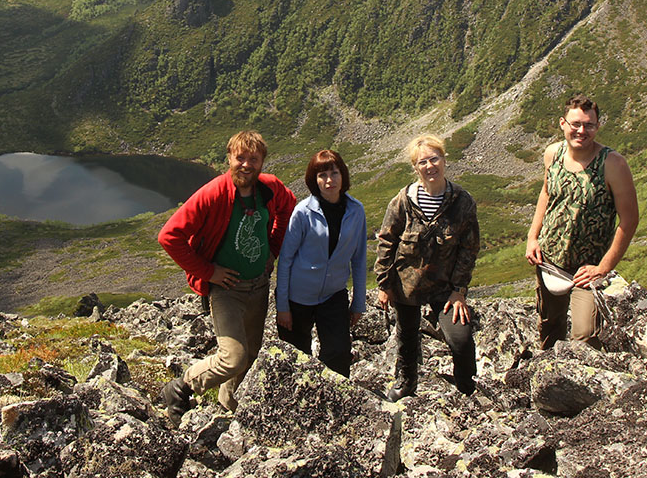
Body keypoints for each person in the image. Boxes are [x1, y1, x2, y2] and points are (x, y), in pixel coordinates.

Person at [157, 131, 297, 421]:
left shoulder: (268, 188)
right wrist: (208, 272)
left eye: (254, 159)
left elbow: (287, 206)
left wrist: (273, 248)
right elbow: (169, 236)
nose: (246, 164)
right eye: (240, 158)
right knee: (233, 357)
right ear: (229, 159)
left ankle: (229, 407)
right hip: (226, 290)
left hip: (258, 286)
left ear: (262, 163)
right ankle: (181, 388)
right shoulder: (213, 193)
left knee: (250, 355)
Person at [525, 94, 639, 349]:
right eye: (575, 124)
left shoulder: (613, 164)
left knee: (585, 336)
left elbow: (630, 219)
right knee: (549, 324)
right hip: (550, 260)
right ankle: (548, 378)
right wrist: (533, 237)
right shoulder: (552, 154)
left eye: (588, 125)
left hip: (588, 269)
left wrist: (603, 267)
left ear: (598, 126)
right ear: (563, 123)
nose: (581, 130)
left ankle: (582, 383)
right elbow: (546, 193)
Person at [375, 134, 479, 400]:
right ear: (415, 167)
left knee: (460, 338)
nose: (430, 166)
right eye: (423, 162)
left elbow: (469, 249)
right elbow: (387, 240)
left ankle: (467, 386)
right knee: (407, 335)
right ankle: (405, 382)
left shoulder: (462, 202)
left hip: (444, 287)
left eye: (435, 159)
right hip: (406, 282)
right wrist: (384, 284)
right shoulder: (403, 201)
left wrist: (459, 291)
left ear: (444, 160)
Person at [275, 149, 368, 377]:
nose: (329, 180)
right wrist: (282, 307)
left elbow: (359, 259)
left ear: (343, 176)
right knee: (297, 357)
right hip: (298, 297)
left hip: (333, 295)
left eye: (334, 173)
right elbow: (285, 260)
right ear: (313, 180)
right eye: (322, 175)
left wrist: (358, 303)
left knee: (338, 354)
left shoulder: (356, 211)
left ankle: (336, 405)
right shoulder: (302, 212)